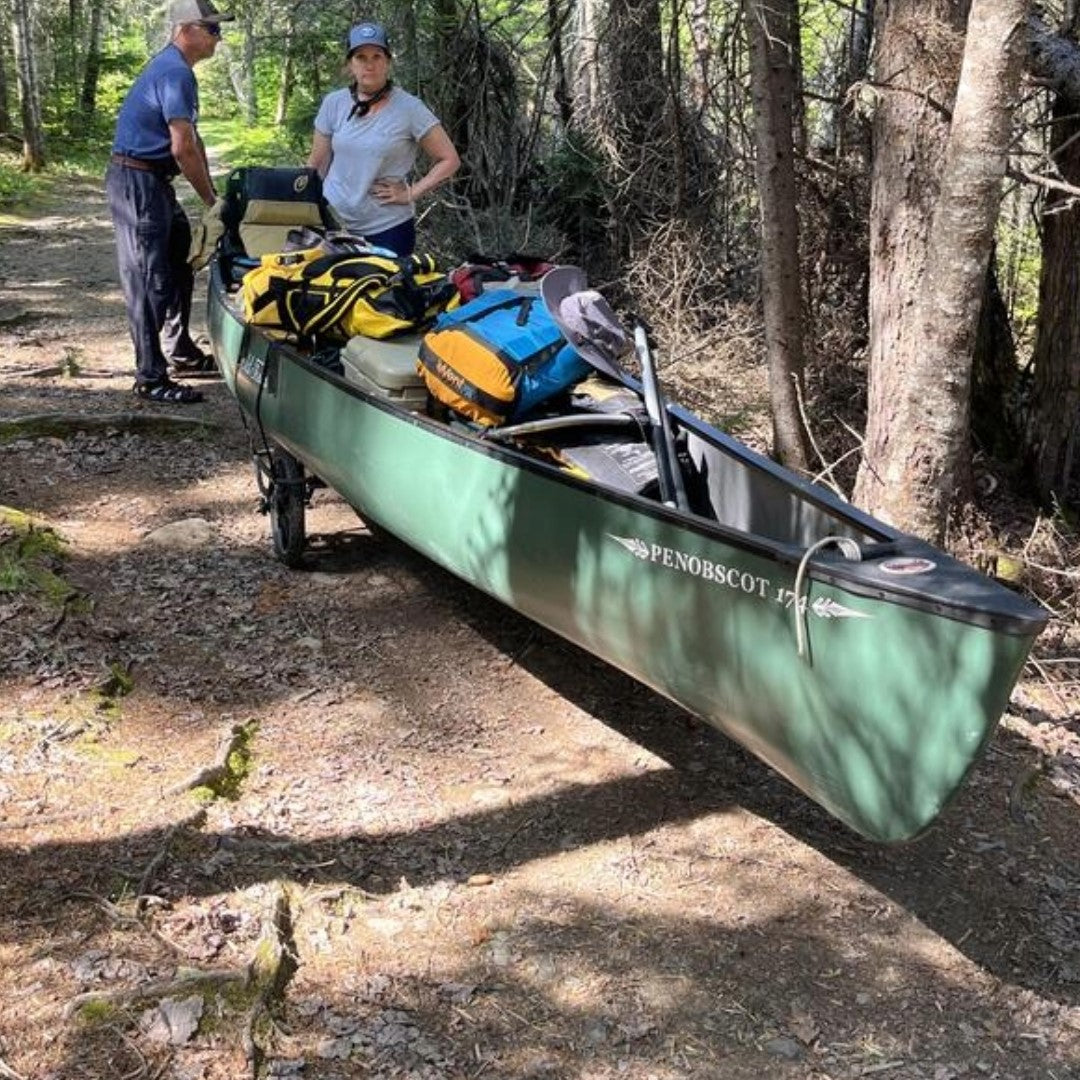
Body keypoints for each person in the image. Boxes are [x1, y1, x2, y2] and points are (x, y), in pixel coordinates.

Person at [106, 0, 232, 405]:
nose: (218, 37)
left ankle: (180, 351)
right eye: (212, 29)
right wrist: (211, 199)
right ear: (187, 29)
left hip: (152, 180)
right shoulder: (175, 71)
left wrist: (210, 192)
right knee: (146, 278)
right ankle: (150, 376)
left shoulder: (175, 69)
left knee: (180, 257)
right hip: (137, 181)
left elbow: (192, 141)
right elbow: (183, 148)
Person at [307, 22, 460, 257]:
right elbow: (316, 164)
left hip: (387, 228)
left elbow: (449, 159)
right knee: (335, 292)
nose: (369, 65)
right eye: (361, 57)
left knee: (385, 292)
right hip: (334, 224)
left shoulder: (409, 109)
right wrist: (306, 207)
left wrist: (411, 192)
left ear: (388, 62)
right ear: (350, 64)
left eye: (377, 56)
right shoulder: (334, 103)